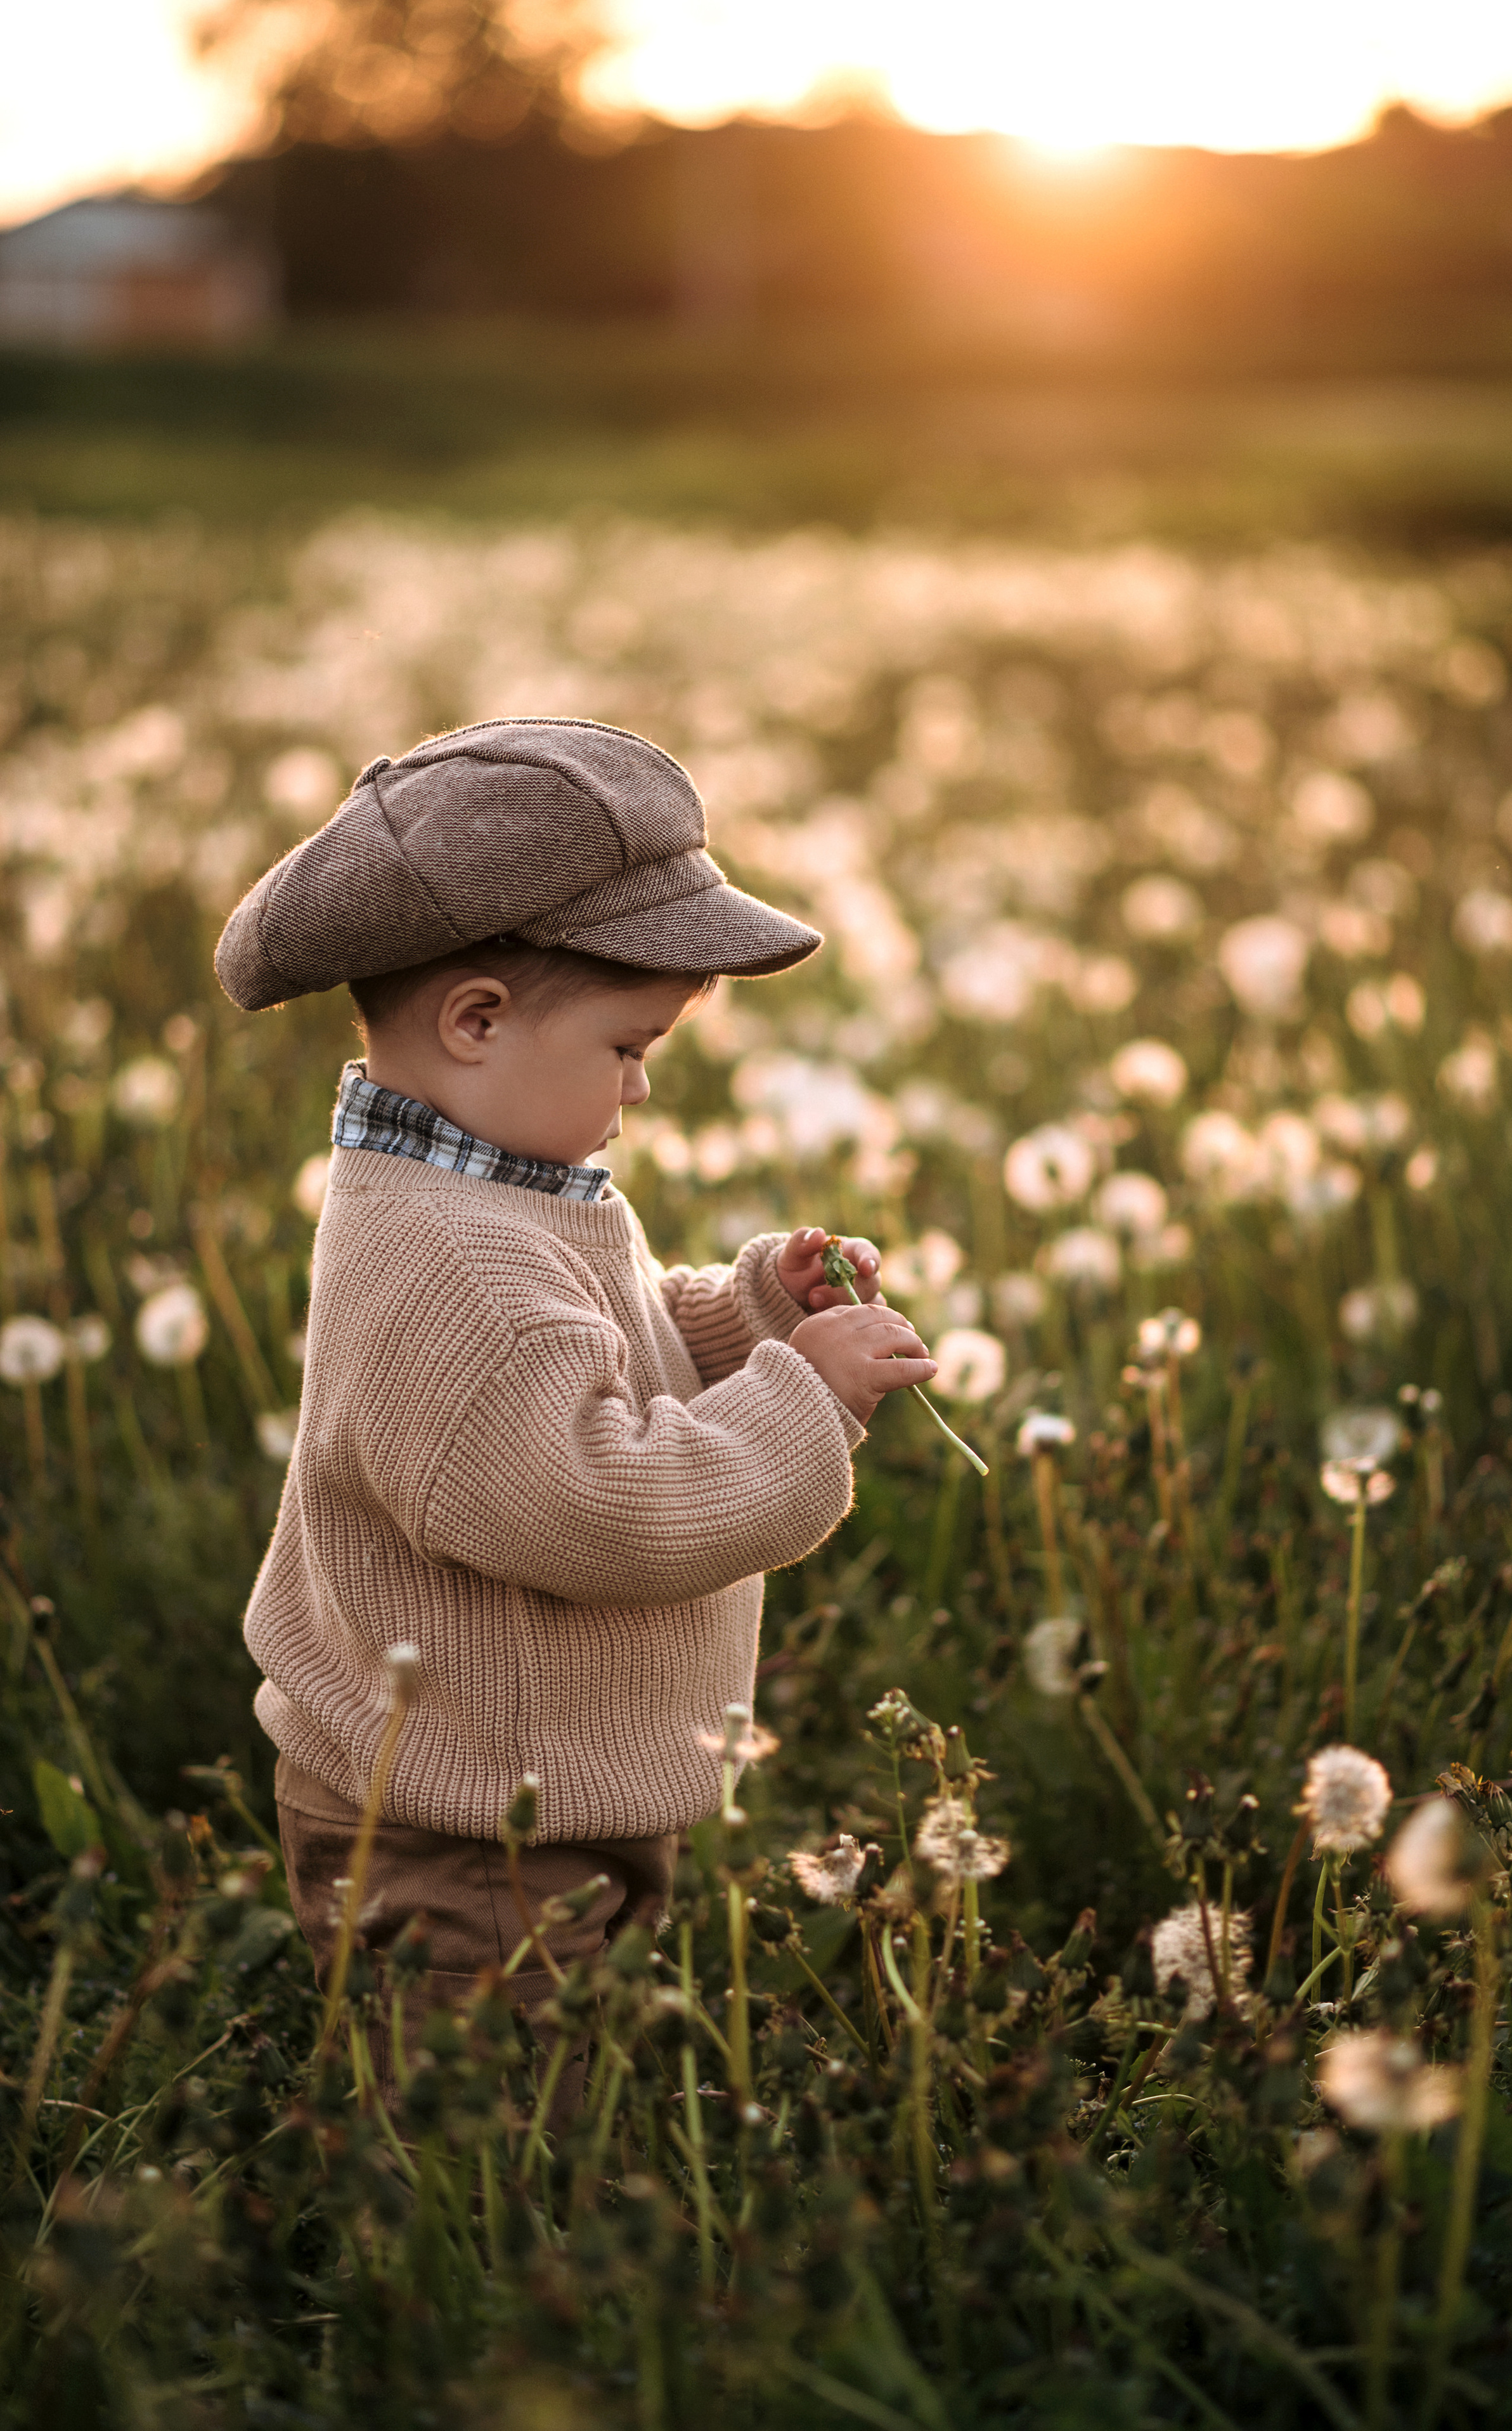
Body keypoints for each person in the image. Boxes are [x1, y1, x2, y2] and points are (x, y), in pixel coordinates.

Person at [214, 715, 936, 2107]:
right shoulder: (448, 1262)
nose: (641, 1083)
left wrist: (751, 1316)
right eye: (625, 1044)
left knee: (569, 2102)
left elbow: (594, 1354)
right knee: (478, 2141)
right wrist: (808, 1397)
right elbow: (600, 1500)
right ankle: (452, 2309)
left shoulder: (488, 1188)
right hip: (462, 1833)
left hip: (543, 1779)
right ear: (476, 1021)